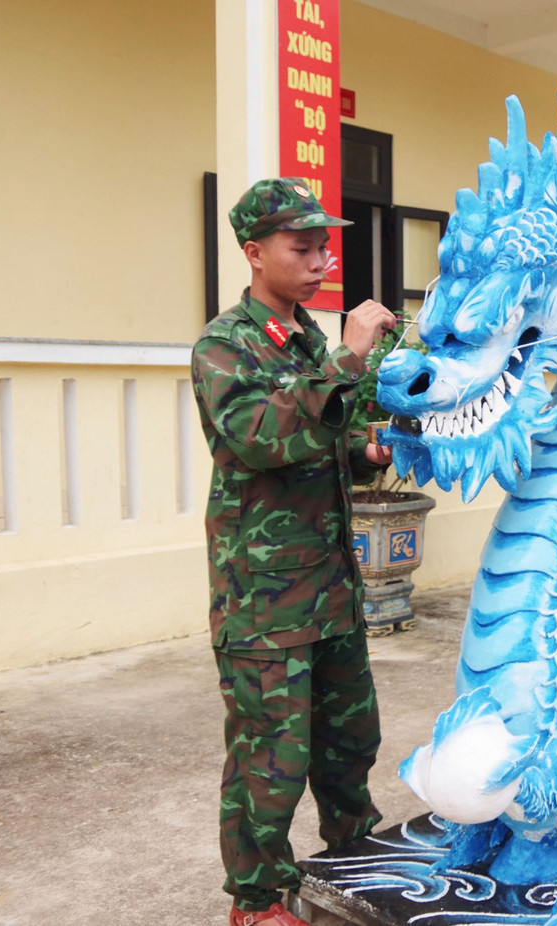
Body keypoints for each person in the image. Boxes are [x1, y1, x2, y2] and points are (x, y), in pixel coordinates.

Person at [192, 177, 398, 925]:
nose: (319, 260)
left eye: (324, 246)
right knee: (269, 762)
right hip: (265, 600)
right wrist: (347, 359)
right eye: (301, 246)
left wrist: (366, 452)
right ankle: (256, 901)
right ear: (254, 252)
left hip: (330, 586)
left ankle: (357, 856)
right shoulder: (223, 345)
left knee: (350, 741)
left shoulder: (304, 338)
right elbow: (259, 438)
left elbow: (325, 437)